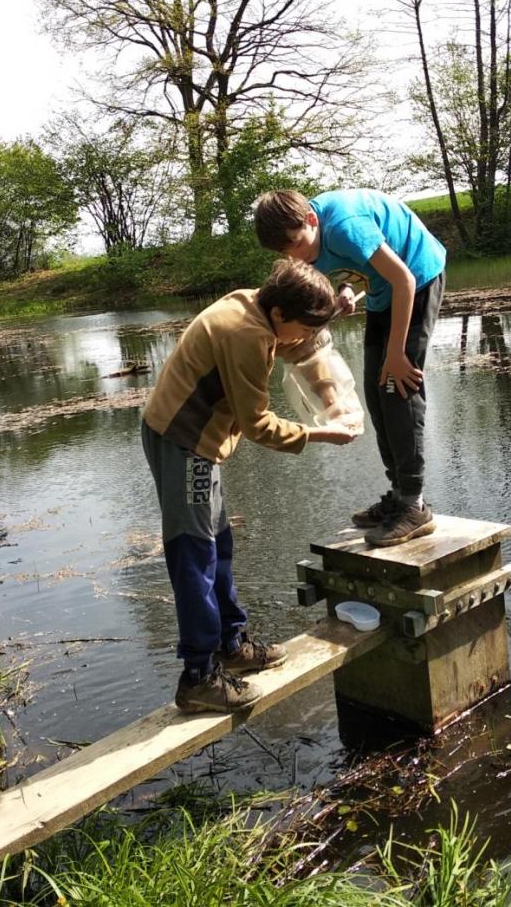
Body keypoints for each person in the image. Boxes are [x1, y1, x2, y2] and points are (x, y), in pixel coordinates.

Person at [141, 259, 357, 714]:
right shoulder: (247, 335)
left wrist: (332, 396)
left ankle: (230, 645)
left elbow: (305, 347)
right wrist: (321, 434)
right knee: (194, 555)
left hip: (199, 443)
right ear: (280, 315)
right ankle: (198, 677)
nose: (299, 339)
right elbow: (257, 425)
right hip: (184, 445)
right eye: (299, 327)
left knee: (218, 544)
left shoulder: (255, 303)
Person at [253, 188, 446, 547]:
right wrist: (343, 287)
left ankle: (414, 505)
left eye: (296, 244)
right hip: (382, 289)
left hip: (416, 278)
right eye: (284, 251)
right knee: (375, 391)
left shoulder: (343, 226)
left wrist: (397, 353)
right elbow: (349, 264)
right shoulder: (305, 241)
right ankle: (398, 495)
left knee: (397, 386)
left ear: (311, 220)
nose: (294, 255)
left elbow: (403, 278)